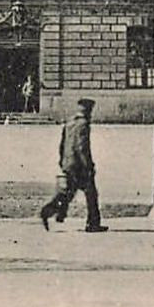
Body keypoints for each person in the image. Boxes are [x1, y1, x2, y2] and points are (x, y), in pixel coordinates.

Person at [40, 98, 107, 233]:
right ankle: (93, 224)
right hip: (79, 166)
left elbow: (62, 144)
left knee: (67, 194)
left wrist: (62, 161)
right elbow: (82, 147)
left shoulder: (70, 123)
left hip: (68, 163)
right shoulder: (83, 124)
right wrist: (88, 166)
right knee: (91, 194)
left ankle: (48, 211)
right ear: (88, 110)